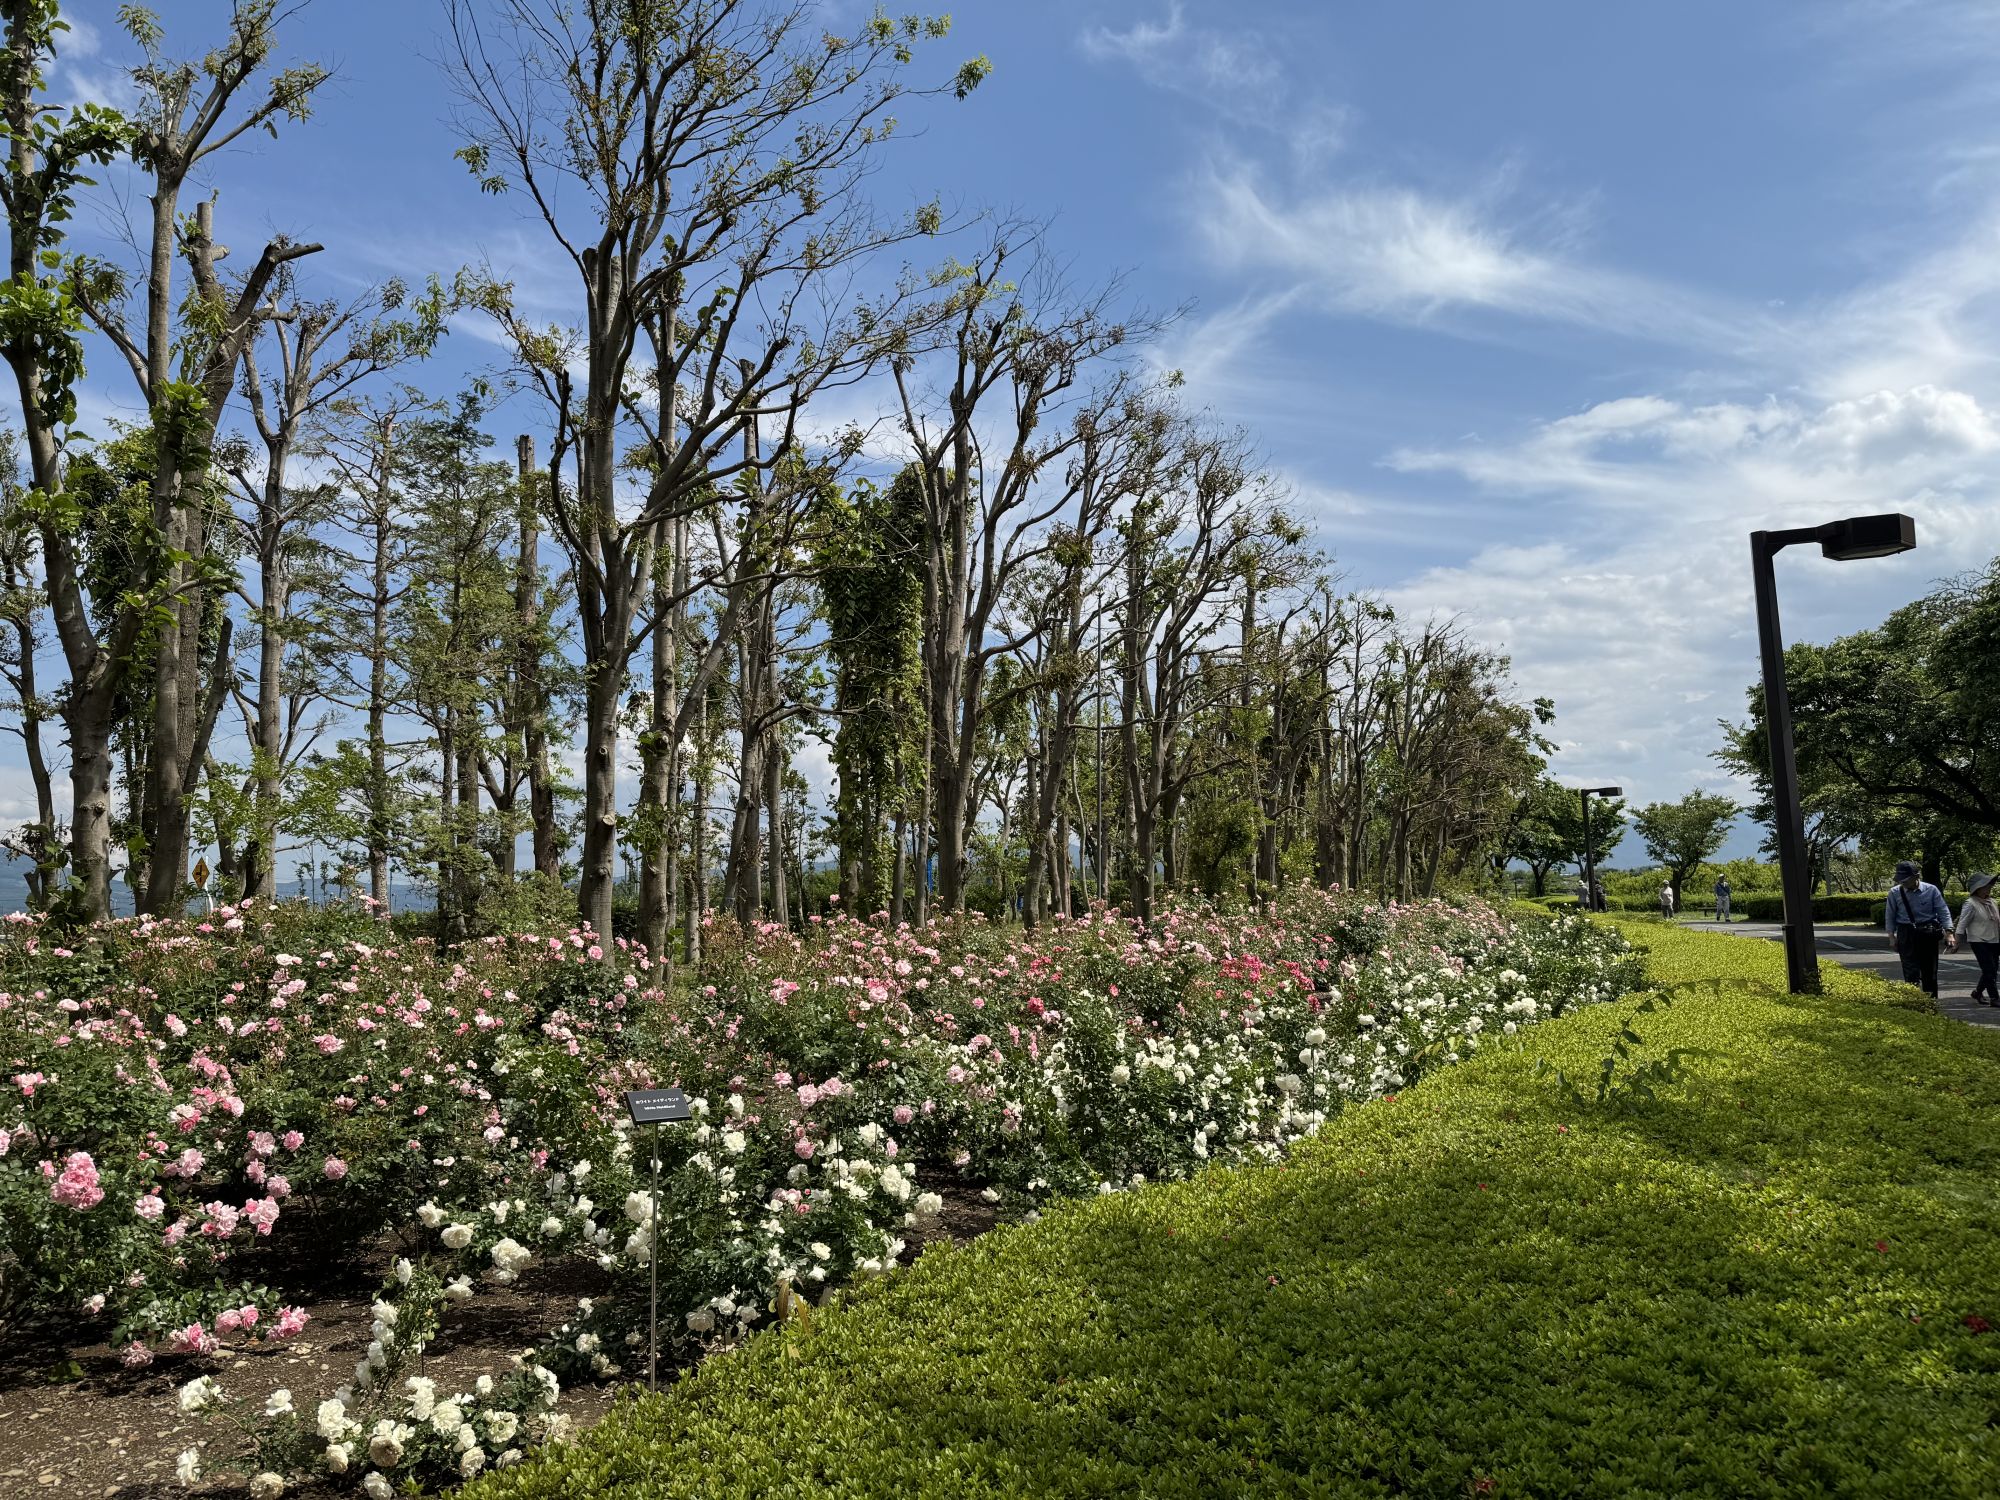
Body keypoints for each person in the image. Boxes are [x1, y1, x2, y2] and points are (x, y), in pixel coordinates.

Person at [1885, 860, 1955, 999]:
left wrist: (1949, 933)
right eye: (1900, 880)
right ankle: (1914, 1004)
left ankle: (1931, 1004)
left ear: (1916, 877)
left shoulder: (1931, 890)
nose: (1903, 883)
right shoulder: (1894, 892)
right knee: (1910, 972)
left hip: (1928, 932)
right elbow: (1890, 915)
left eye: (1906, 879)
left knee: (1930, 972)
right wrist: (1891, 937)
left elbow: (1943, 911)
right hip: (1906, 932)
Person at [1955, 871, 1999, 1006]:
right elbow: (1962, 923)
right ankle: (1994, 998)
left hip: (1994, 939)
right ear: (1977, 889)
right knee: (1988, 969)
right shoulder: (1970, 903)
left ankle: (1978, 992)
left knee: (1992, 969)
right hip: (1978, 940)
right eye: (1986, 886)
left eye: (1989, 886)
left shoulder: (1992, 901)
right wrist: (1955, 941)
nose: (1989, 888)